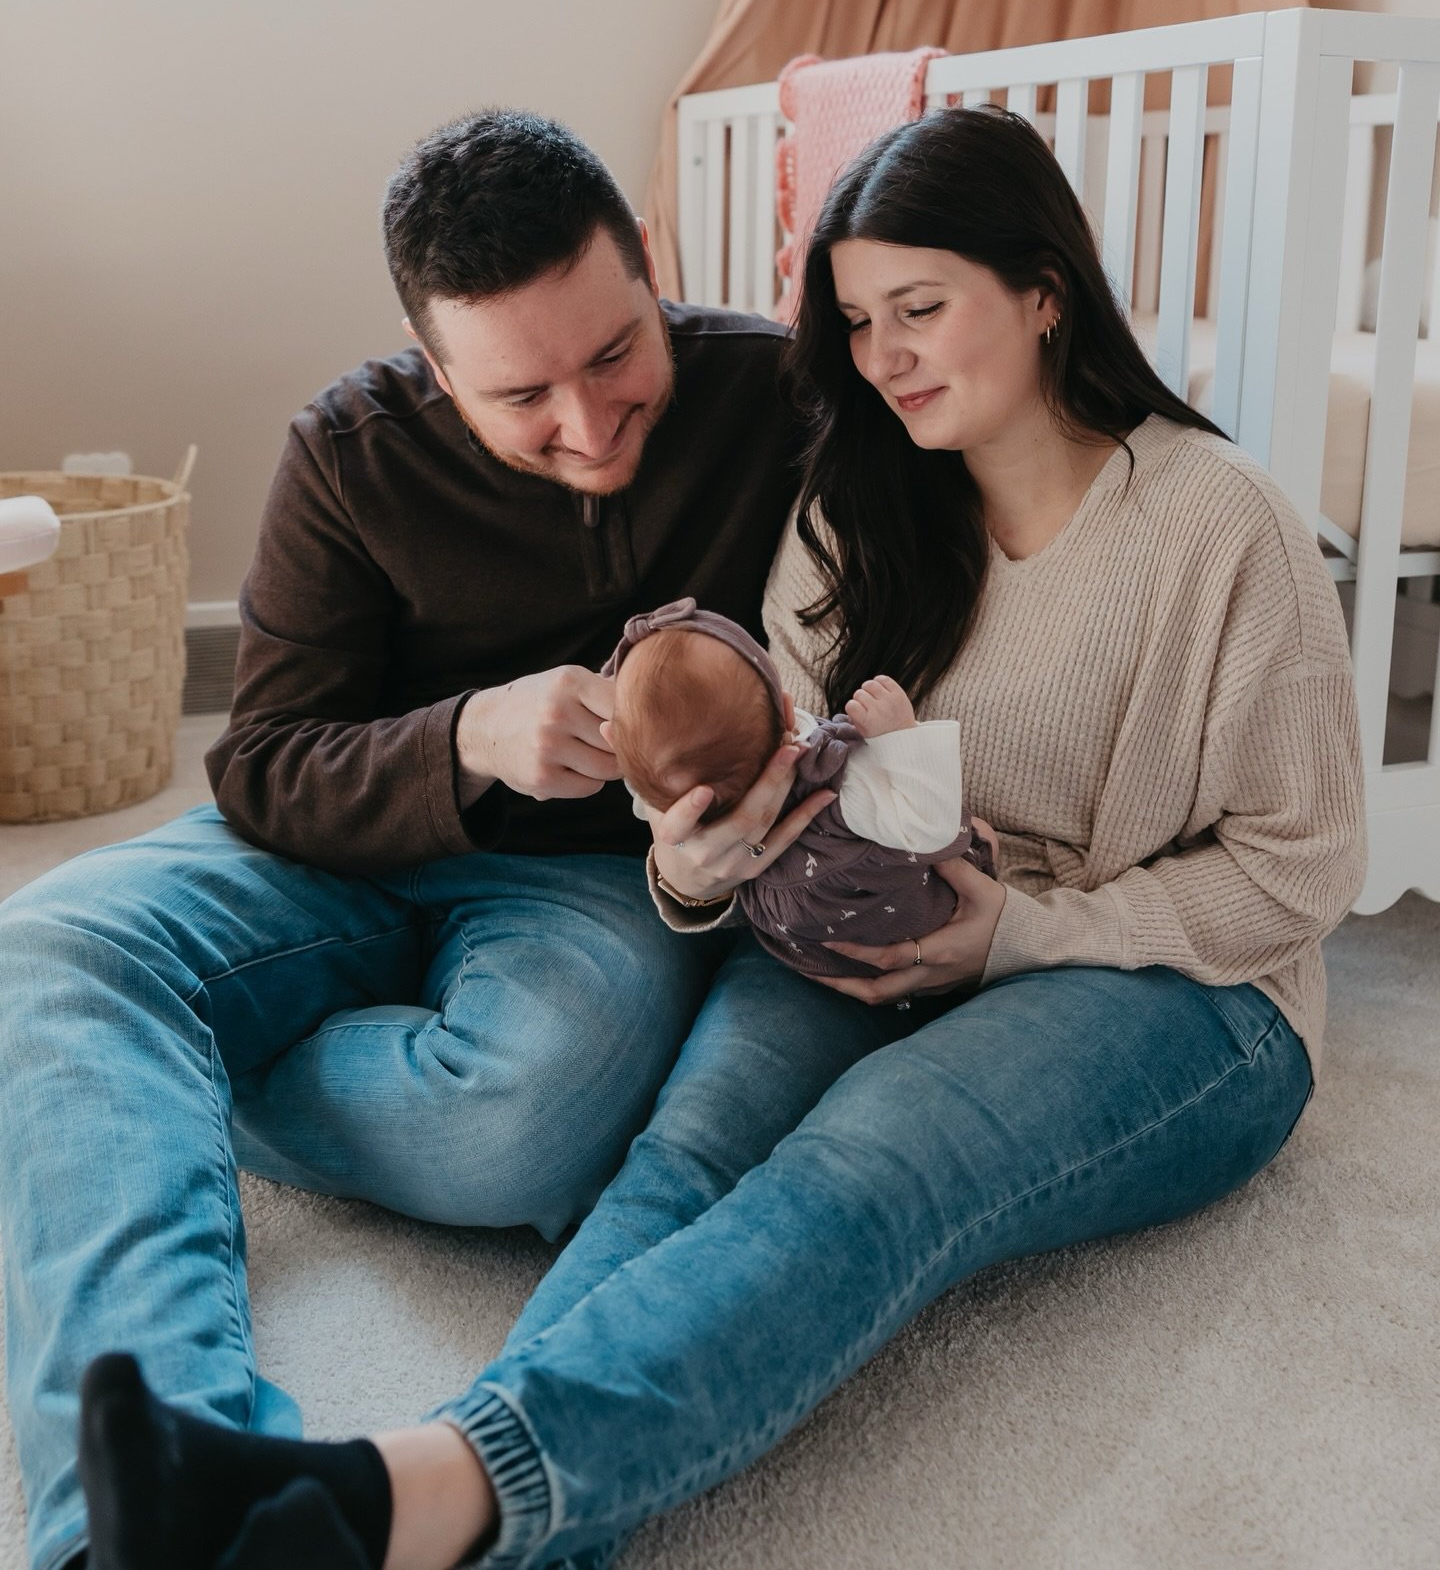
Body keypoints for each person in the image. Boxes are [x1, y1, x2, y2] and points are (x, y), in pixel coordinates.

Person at [73, 102, 1366, 1570]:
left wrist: (1020, 935)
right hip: (864, 937)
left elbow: (1299, 872)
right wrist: (695, 868)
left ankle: (394, 1499)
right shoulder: (853, 502)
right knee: (681, 1159)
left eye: (922, 309)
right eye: (859, 320)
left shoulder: (1222, 526)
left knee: (878, 1156)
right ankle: (396, 1516)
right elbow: (770, 800)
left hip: (1172, 985)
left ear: (1045, 287)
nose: (884, 358)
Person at [0, 107, 868, 1570]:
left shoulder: (776, 401)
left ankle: (157, 1076)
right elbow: (261, 764)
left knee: (533, 1123)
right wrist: (465, 738)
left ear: (647, 273)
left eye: (612, 355)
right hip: (334, 850)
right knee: (49, 947)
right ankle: (126, 1532)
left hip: (588, 890)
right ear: (434, 366)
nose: (588, 425)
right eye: (521, 395)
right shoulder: (349, 447)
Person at [603, 597, 995, 980]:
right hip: (921, 927)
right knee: (976, 838)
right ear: (788, 712)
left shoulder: (669, 806)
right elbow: (929, 827)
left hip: (807, 960)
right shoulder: (840, 785)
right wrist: (901, 736)